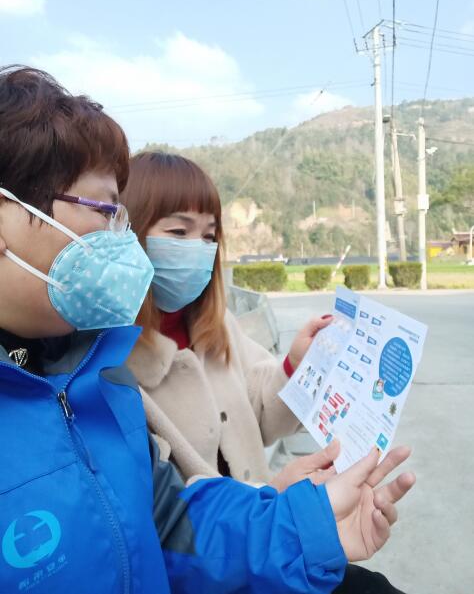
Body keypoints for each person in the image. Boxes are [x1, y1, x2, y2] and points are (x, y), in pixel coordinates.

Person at [0, 66, 414, 594]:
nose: (116, 237)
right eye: (105, 211)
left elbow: (170, 525)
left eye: (210, 235)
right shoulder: (113, 360)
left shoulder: (91, 369)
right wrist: (278, 504)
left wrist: (298, 517)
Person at [122, 152, 411, 593]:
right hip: (215, 565)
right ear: (129, 234)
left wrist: (297, 365)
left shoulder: (218, 327)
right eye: (179, 232)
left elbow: (262, 417)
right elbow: (162, 515)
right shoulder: (112, 363)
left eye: (209, 236)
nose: (198, 249)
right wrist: (273, 496)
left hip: (270, 536)